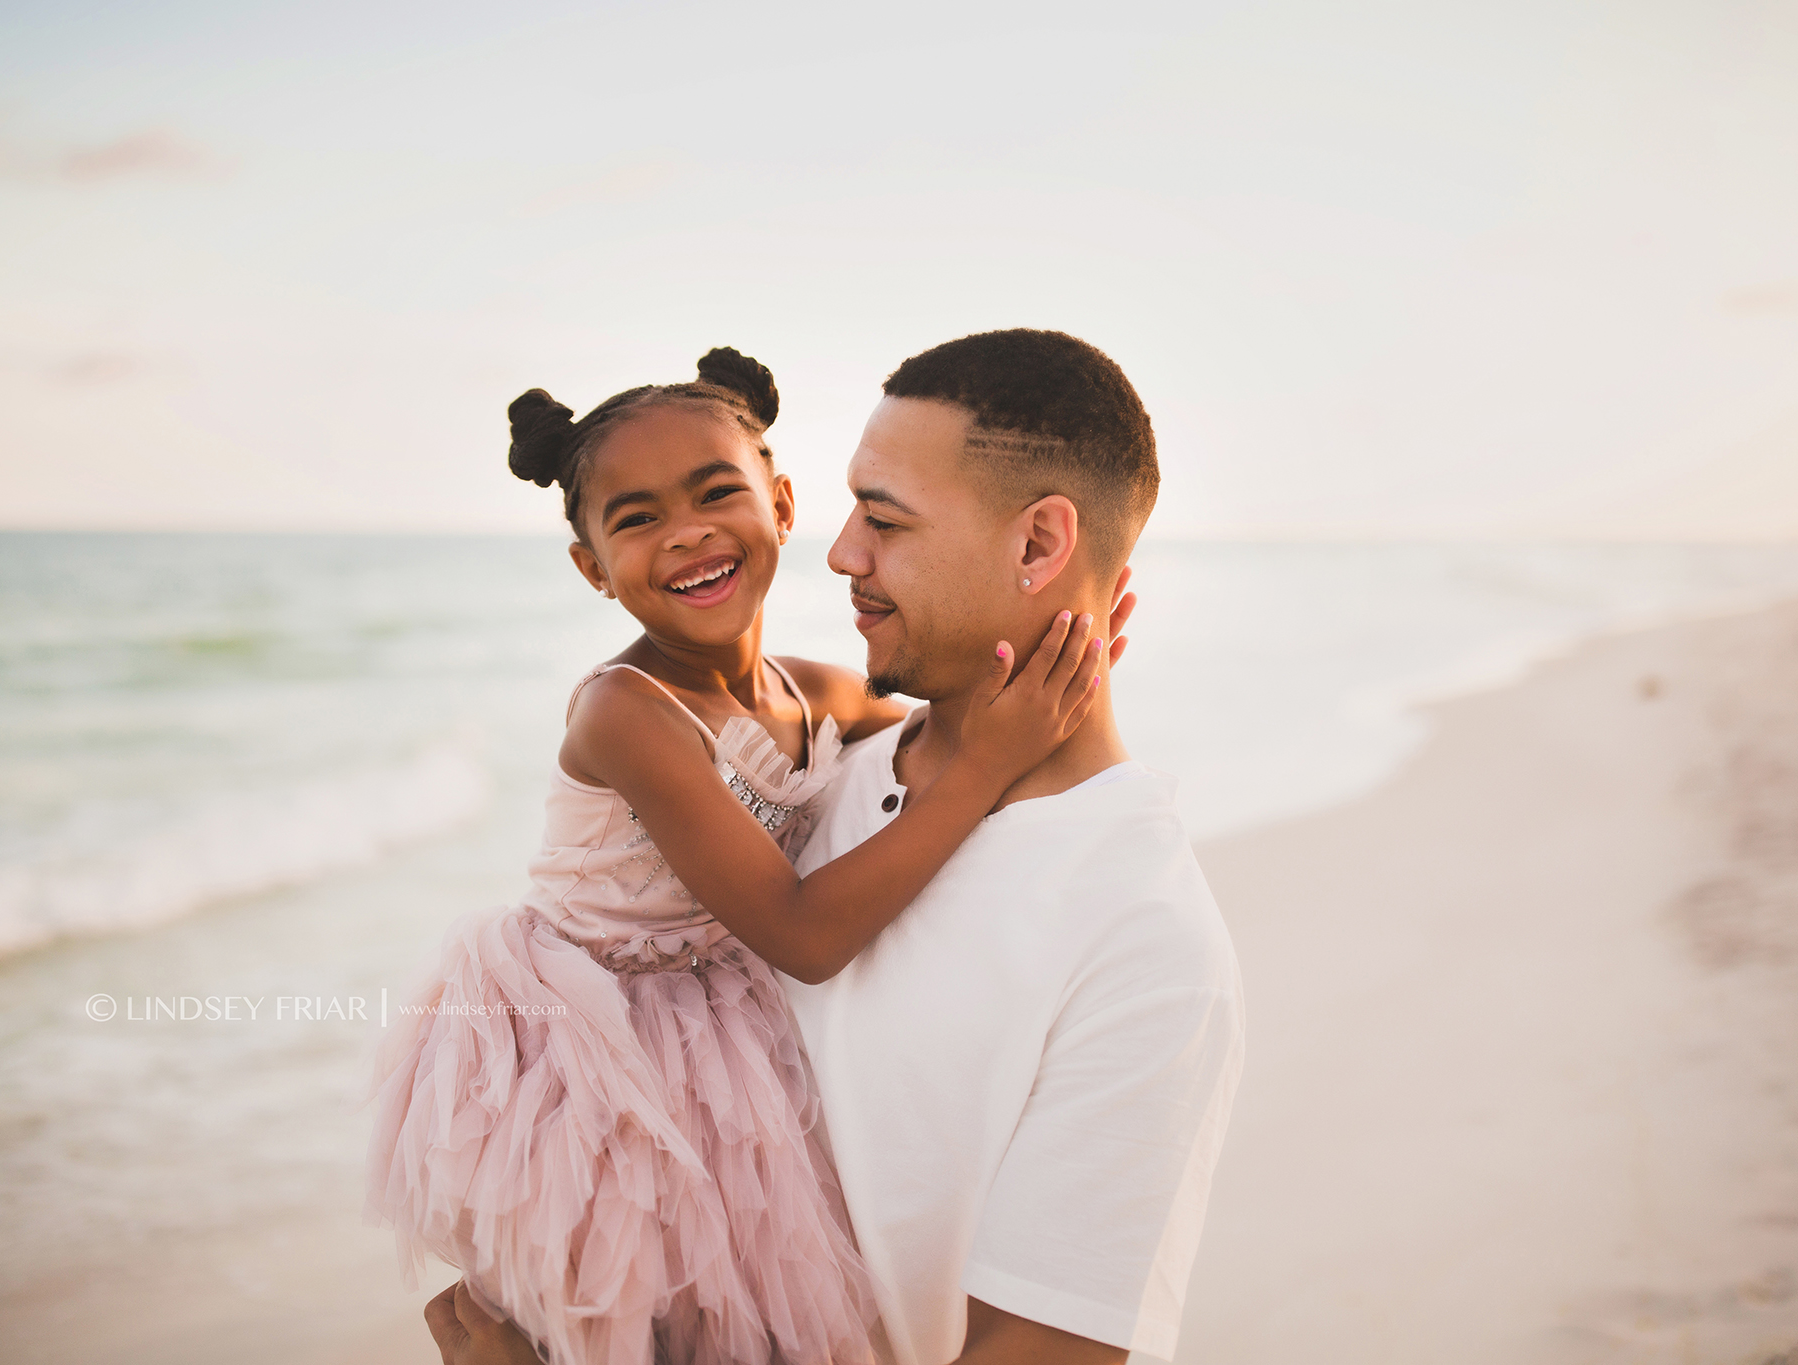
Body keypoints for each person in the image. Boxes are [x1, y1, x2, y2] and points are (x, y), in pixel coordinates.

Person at [422, 330, 1244, 1365]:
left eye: (883, 519)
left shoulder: (1143, 941)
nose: (842, 552)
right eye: (851, 510)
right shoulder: (817, 788)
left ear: (1038, 547)